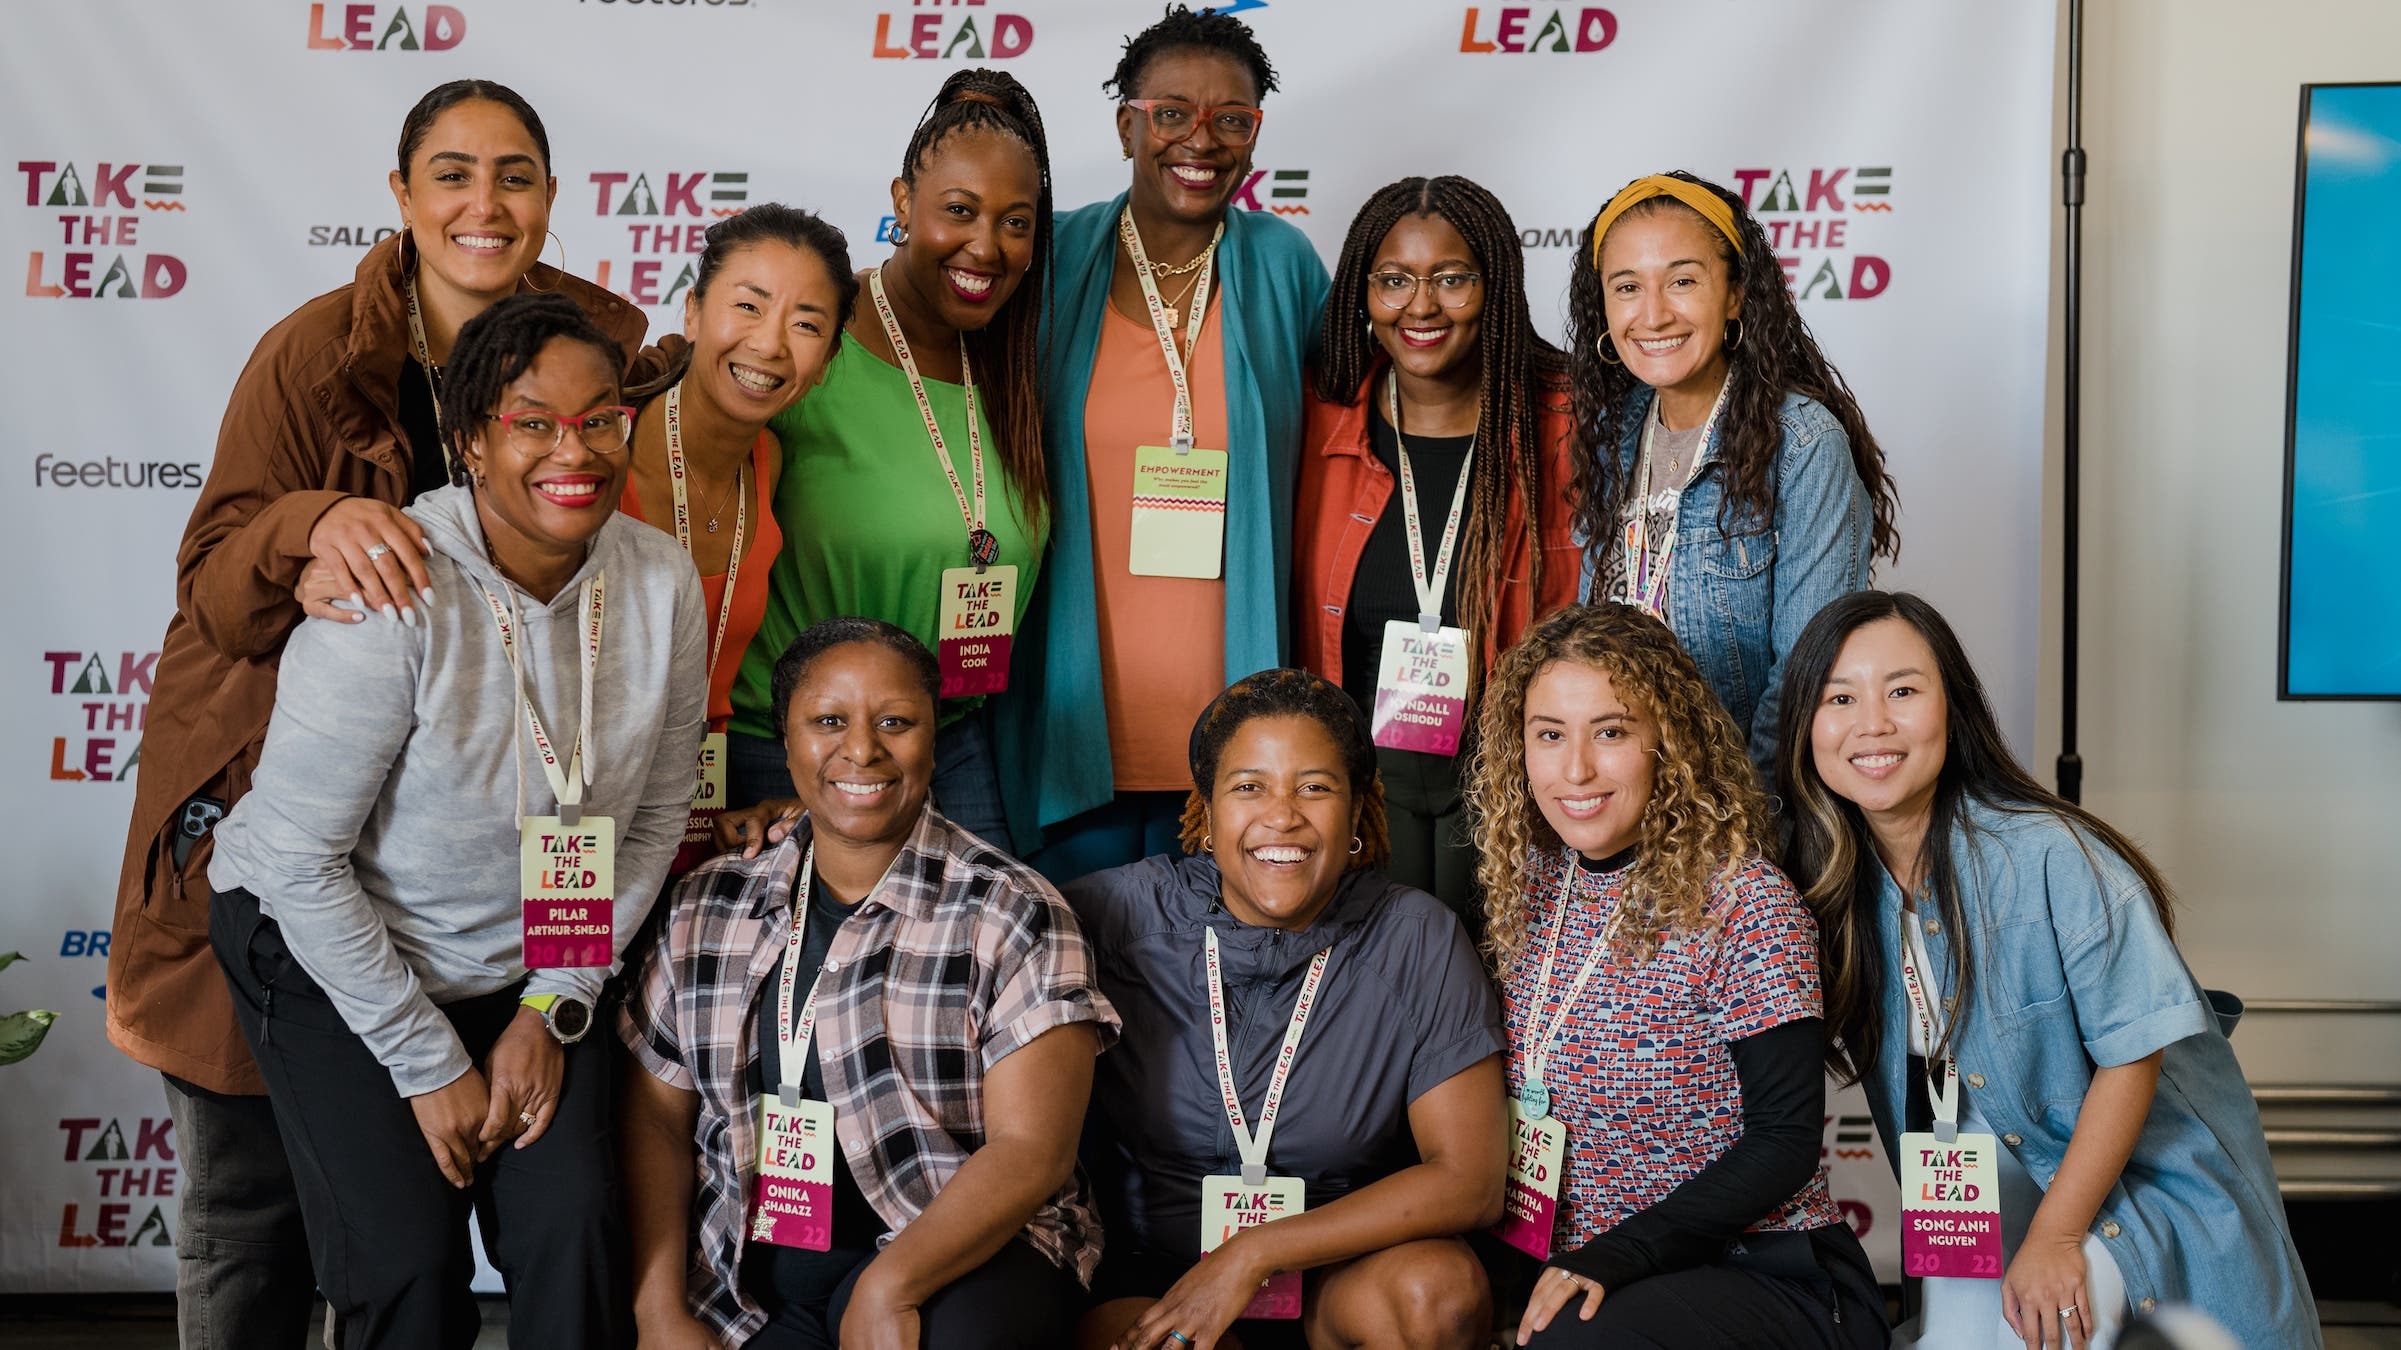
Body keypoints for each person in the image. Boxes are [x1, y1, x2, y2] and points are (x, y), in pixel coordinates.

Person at [102, 79, 645, 1350]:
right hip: (292, 823)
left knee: (469, 1227)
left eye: (515, 175)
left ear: (552, 199)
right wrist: (310, 522)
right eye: (450, 174)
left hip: (485, 856)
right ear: (400, 198)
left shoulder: (600, 356)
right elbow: (213, 584)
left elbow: (612, 593)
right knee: (255, 1198)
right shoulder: (311, 354)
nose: (484, 203)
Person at [204, 292, 705, 1349]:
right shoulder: (394, 589)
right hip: (325, 946)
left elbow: (652, 816)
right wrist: (428, 1063)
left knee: (575, 1233)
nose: (573, 450)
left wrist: (552, 1007)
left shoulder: (659, 581)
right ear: (472, 443)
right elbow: (298, 861)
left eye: (599, 419)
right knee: (409, 1267)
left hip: (524, 964)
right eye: (532, 422)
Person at [1776, 591, 2320, 1350]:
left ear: (1952, 708)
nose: (1872, 723)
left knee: (2048, 1325)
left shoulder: (2050, 854)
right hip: (1980, 1199)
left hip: (2136, 1196)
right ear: (1804, 726)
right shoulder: (1830, 887)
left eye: (1902, 690)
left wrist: (2057, 1239)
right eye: (1839, 697)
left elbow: (2133, 1056)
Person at [621, 618, 1118, 1350]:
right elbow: (658, 1118)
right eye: (827, 722)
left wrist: (892, 1286)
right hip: (753, 1272)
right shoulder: (707, 904)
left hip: (964, 1250)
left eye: (895, 722)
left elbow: (1031, 1151)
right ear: (784, 741)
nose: (861, 750)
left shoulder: (1013, 910)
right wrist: (658, 1311)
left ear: (933, 738)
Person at [1468, 604, 1885, 1348]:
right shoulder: (1529, 887)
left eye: (1611, 732)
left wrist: (1619, 1252)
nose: (1576, 770)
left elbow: (1783, 1142)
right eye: (1549, 735)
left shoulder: (1742, 901)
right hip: (1596, 1272)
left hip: (1763, 1270)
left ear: (1668, 741)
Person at [1066, 668, 1506, 1350]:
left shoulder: (1413, 936)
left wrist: (1252, 1254)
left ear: (1357, 809)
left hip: (1337, 1273)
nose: (1282, 815)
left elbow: (1469, 1182)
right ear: (1205, 811)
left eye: (1315, 787)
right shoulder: (1116, 917)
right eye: (1249, 787)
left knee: (1436, 1292)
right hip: (1153, 1273)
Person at [996, 4, 1332, 879]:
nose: (1201, 140)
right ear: (1126, 126)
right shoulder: (1052, 262)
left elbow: (1355, 444)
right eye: (1172, 113)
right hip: (1075, 730)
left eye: (1232, 119)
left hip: (1238, 740)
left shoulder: (1284, 266)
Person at [719, 70, 1053, 847]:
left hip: (952, 740)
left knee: (977, 955)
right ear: (902, 202)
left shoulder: (1017, 366)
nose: (985, 246)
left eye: (1016, 222)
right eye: (959, 211)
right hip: (790, 745)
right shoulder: (810, 338)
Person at [1294, 175, 1579, 919]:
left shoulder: (1565, 423)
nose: (1419, 306)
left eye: (1450, 279)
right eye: (1393, 281)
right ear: (1362, 291)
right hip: (1365, 781)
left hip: (1513, 780)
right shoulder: (1321, 417)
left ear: (1495, 288)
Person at [1566, 171, 1898, 778]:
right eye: (1627, 287)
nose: (1654, 314)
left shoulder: (1802, 444)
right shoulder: (1612, 437)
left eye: (1684, 281)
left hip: (1742, 809)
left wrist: (1741, 819)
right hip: (1620, 794)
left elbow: (1806, 676)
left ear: (1737, 294)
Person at [619, 205, 858, 874]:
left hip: (704, 813)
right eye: (748, 306)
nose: (770, 344)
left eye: (806, 324)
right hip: (581, 821)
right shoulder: (601, 457)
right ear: (692, 312)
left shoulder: (768, 464)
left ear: (829, 355)